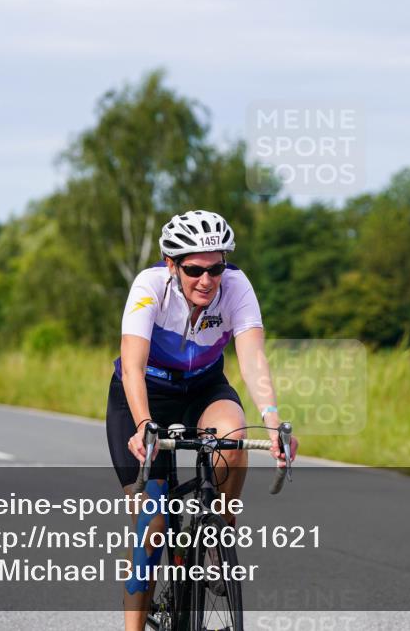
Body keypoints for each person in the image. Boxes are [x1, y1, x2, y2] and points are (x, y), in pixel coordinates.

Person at [105, 209, 298, 630]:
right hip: (145, 396)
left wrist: (272, 420)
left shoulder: (236, 287)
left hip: (203, 387)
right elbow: (133, 366)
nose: (207, 281)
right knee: (152, 526)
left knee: (233, 437)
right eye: (194, 269)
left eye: (216, 268)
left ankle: (218, 536)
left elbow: (252, 358)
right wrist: (143, 426)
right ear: (172, 264)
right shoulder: (149, 286)